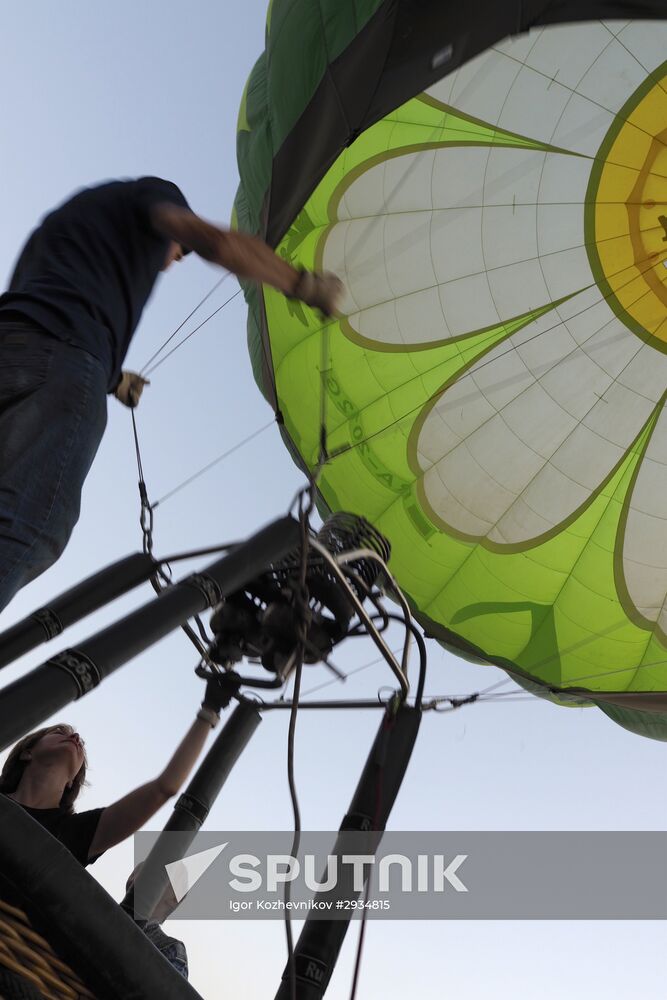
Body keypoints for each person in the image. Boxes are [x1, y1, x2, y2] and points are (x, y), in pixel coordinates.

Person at [0, 177, 343, 613]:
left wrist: (115, 381)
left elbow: (43, 328)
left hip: (16, 345)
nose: (172, 262)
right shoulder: (151, 201)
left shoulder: (66, 225)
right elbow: (214, 241)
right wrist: (303, 285)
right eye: (178, 253)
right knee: (32, 522)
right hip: (69, 360)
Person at [0, 676, 230, 994]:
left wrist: (210, 710)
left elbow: (165, 787)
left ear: (73, 782)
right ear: (27, 752)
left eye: (77, 739)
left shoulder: (77, 833)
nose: (74, 736)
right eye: (59, 732)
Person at [125, 863, 189, 979]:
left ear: (175, 897)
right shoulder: (100, 913)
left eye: (158, 872)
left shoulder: (171, 949)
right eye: (140, 869)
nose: (140, 874)